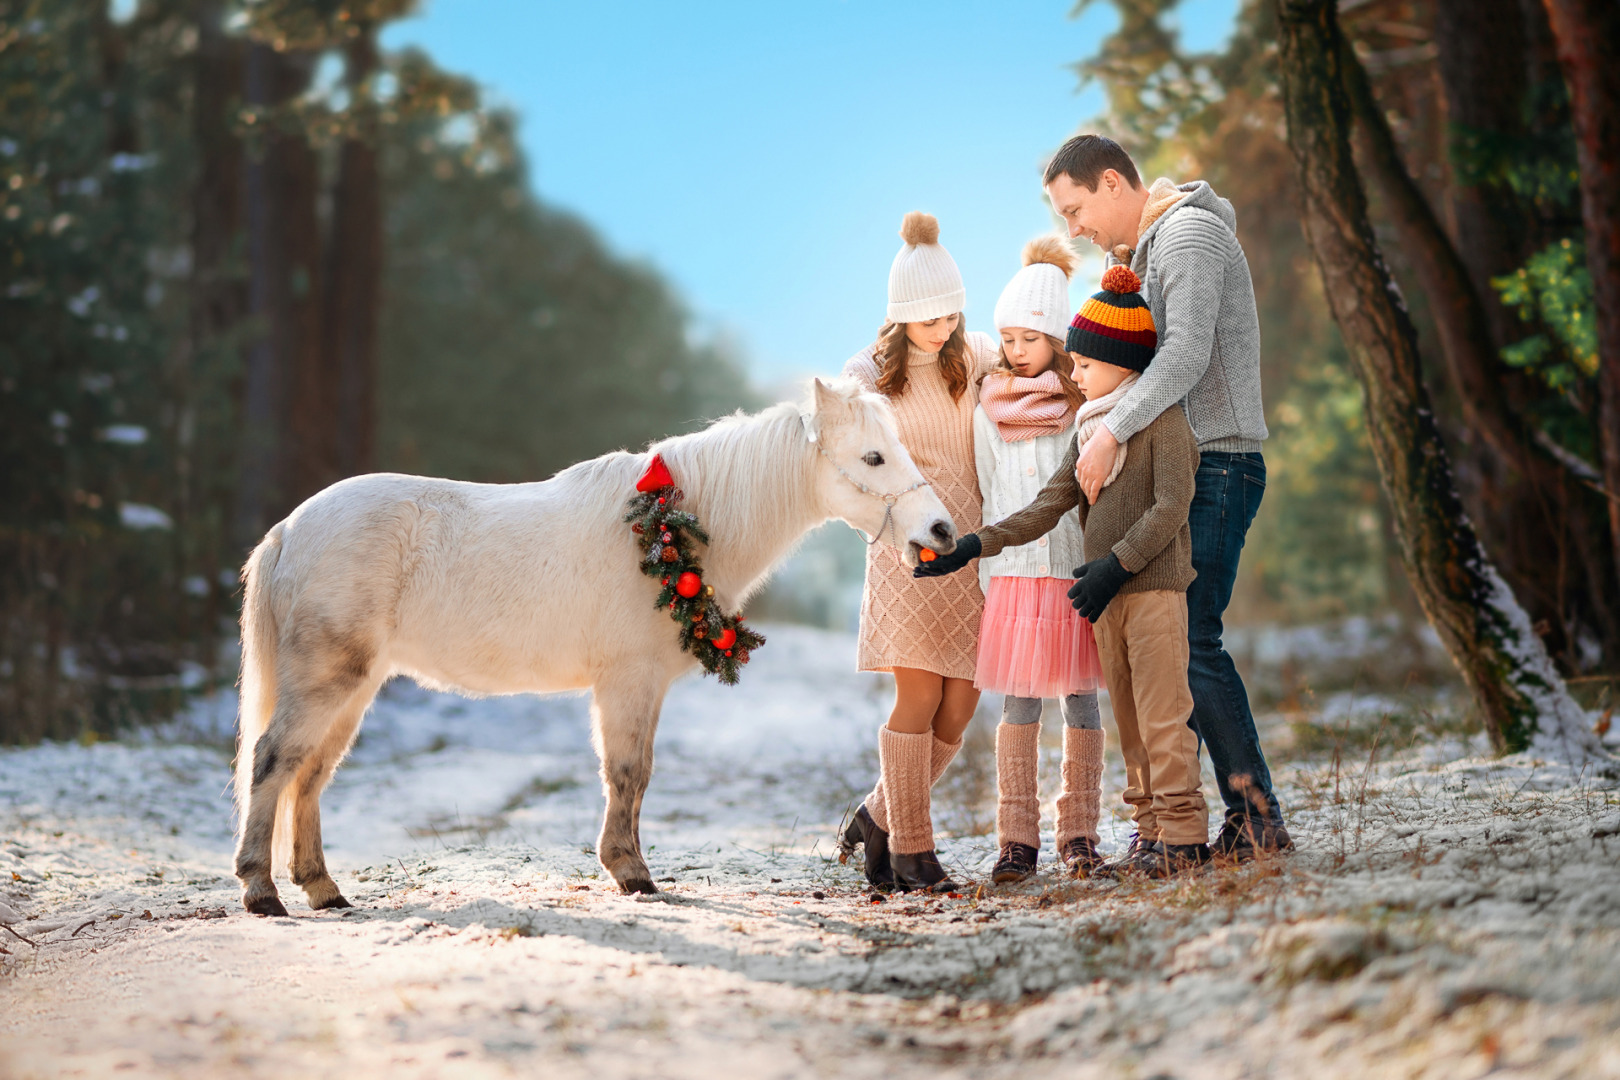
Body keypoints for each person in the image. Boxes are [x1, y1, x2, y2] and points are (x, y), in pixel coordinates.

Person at [920, 267, 1210, 877]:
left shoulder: (1154, 421)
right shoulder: (1090, 429)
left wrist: (1114, 565)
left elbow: (1172, 506)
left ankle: (1169, 839)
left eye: (1082, 363)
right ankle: (1134, 836)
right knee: (1123, 719)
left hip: (1129, 585)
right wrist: (973, 546)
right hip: (1087, 588)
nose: (1074, 375)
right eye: (1071, 364)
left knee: (1153, 715)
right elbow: (1045, 505)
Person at [1044, 134, 1287, 858]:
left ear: (1114, 183)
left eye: (1076, 208)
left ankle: (1255, 817)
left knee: (1192, 644)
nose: (1073, 228)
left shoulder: (1186, 235)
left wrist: (1112, 430)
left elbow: (1186, 353)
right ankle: (1191, 825)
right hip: (1190, 464)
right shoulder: (1144, 254)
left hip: (1216, 464)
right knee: (1179, 649)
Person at [835, 211, 1000, 893]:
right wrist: (880, 523)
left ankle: (876, 817)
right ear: (901, 315)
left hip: (974, 550)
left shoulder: (976, 354)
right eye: (928, 318)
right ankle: (913, 851)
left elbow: (1042, 358)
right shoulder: (867, 374)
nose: (942, 329)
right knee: (921, 694)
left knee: (961, 706)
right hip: (909, 550)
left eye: (951, 314)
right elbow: (845, 463)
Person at [972, 235, 1107, 883]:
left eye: (1028, 338)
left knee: (1081, 700)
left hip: (1075, 571)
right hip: (1016, 579)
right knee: (1019, 703)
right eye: (1007, 339)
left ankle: (1079, 831)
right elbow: (983, 489)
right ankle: (1015, 839)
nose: (1015, 351)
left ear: (1056, 338)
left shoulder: (1083, 406)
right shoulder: (988, 409)